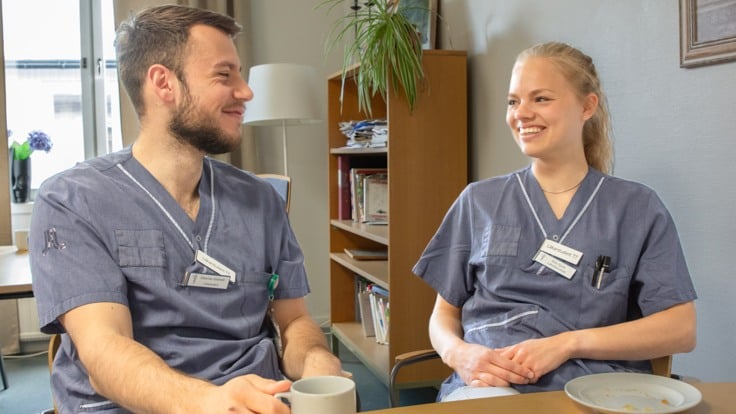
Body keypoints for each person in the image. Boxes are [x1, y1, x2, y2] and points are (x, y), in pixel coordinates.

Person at [29, 5, 342, 413]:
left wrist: (316, 359)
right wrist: (209, 401)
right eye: (224, 75)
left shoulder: (260, 200)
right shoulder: (72, 201)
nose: (246, 92)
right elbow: (105, 352)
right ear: (164, 84)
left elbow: (295, 321)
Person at [412, 41, 697, 401]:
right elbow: (443, 317)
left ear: (587, 105)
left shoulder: (636, 208)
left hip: (594, 389)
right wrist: (460, 355)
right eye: (513, 101)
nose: (521, 113)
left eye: (541, 99)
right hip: (492, 388)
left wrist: (568, 344)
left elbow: (681, 329)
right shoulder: (479, 202)